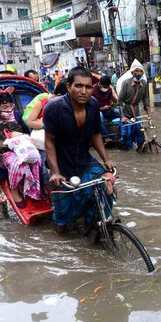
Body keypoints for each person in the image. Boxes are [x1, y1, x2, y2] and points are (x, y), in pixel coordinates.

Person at [44, 67, 116, 233]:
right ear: (69, 87)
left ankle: (96, 228)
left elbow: (96, 133)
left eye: (88, 87)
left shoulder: (94, 105)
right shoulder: (53, 107)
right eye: (79, 86)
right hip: (62, 165)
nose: (84, 91)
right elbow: (49, 142)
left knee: (104, 191)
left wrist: (106, 159)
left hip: (85, 161)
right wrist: (55, 172)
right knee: (62, 219)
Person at [0, 87, 41, 208]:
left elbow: (28, 133)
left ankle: (35, 189)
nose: (9, 110)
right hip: (1, 151)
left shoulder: (17, 114)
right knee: (17, 164)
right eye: (4, 108)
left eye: (10, 106)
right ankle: (14, 189)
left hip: (21, 147)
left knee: (37, 159)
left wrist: (21, 135)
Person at [25, 82, 69, 187]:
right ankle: (51, 196)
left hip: (63, 140)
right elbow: (30, 122)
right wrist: (48, 124)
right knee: (46, 171)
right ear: (59, 96)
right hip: (43, 142)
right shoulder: (41, 103)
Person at [118, 60, 151, 149]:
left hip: (136, 110)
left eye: (140, 71)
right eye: (136, 71)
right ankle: (124, 146)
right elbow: (120, 101)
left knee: (139, 130)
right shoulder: (126, 83)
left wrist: (148, 113)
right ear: (132, 72)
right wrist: (122, 116)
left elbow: (145, 100)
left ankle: (141, 147)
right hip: (126, 109)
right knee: (127, 133)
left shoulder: (144, 83)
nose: (139, 73)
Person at [92, 76, 120, 142]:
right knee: (100, 117)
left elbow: (110, 99)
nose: (106, 88)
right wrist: (101, 108)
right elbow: (91, 107)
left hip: (107, 110)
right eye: (104, 87)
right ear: (99, 84)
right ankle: (106, 137)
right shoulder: (93, 90)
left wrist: (112, 105)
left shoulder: (109, 89)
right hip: (97, 111)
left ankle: (123, 135)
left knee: (121, 113)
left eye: (107, 87)